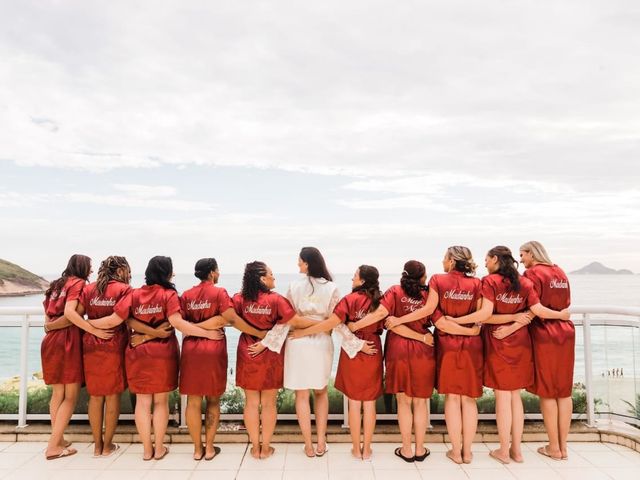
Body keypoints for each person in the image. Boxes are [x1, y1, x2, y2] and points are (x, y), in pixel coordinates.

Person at [442, 246, 570, 465]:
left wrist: (455, 320)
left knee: (503, 396)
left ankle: (503, 450)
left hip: (498, 341)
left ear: (495, 260)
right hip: (521, 342)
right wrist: (560, 315)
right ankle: (517, 451)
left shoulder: (490, 281)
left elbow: (486, 315)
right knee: (514, 396)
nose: (484, 263)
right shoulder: (525, 282)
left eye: (486, 259)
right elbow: (537, 311)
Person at [97, 256, 223, 461]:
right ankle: (159, 448)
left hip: (138, 352)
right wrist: (206, 334)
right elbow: (177, 323)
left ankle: (147, 450)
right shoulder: (169, 294)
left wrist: (88, 326)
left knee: (143, 403)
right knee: (160, 402)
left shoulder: (134, 294)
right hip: (163, 354)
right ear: (167, 273)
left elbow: (116, 319)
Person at [384, 248, 483, 464]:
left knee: (441, 398)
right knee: (467, 399)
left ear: (451, 260)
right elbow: (478, 316)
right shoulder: (477, 284)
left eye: (444, 257)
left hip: (444, 344)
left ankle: (441, 451)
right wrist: (470, 331)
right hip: (469, 345)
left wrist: (398, 320)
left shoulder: (437, 281)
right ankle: (464, 452)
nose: (442, 261)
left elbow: (433, 315)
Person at [290, 265, 382, 460]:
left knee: (355, 403)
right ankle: (367, 450)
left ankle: (356, 449)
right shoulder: (379, 302)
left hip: (353, 349)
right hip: (373, 347)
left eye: (355, 276)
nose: (352, 279)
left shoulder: (349, 300)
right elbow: (386, 321)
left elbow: (334, 323)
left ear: (363, 281)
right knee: (370, 403)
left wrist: (303, 332)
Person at [179, 258, 266, 461]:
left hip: (191, 349)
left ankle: (197, 449)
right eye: (217, 270)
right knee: (213, 400)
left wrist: (198, 327)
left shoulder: (186, 295)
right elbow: (231, 319)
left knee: (192, 401)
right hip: (214, 348)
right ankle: (209, 448)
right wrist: (259, 333)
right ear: (211, 273)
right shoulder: (219, 293)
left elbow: (180, 323)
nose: (219, 273)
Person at [233, 261, 318, 459]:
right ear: (263, 279)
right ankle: (266, 447)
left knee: (251, 403)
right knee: (269, 403)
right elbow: (295, 322)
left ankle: (255, 448)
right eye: (271, 274)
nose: (274, 277)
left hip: (248, 351)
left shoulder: (239, 299)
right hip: (270, 353)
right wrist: (325, 323)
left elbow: (230, 318)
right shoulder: (277, 300)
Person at [41, 254, 103, 460]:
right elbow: (70, 313)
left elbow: (48, 316)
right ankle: (53, 447)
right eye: (90, 266)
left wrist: (50, 326)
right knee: (70, 395)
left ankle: (57, 439)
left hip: (50, 340)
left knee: (57, 393)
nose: (91, 271)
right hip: (68, 341)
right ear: (83, 267)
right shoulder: (78, 284)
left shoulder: (56, 285)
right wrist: (91, 328)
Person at [284, 247, 340, 457]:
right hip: (321, 342)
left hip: (297, 341)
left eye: (299, 261)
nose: (297, 264)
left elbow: (287, 317)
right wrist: (320, 327)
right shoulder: (332, 288)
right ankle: (321, 442)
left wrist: (301, 331)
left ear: (307, 263)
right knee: (321, 391)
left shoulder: (293, 287)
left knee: (301, 394)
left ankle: (308, 445)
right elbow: (333, 322)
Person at [73, 256, 131, 457]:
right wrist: (98, 326)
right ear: (121, 269)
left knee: (95, 396)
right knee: (113, 395)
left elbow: (76, 316)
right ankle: (107, 446)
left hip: (91, 346)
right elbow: (116, 320)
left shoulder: (89, 289)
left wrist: (91, 326)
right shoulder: (124, 290)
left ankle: (97, 446)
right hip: (114, 344)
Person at [520, 241, 573, 461]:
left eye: (522, 254)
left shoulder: (532, 274)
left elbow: (534, 308)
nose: (521, 259)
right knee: (564, 390)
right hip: (566, 333)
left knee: (548, 391)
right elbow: (566, 304)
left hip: (545, 333)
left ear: (532, 253)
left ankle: (553, 447)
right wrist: (562, 315)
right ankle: (563, 447)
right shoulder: (559, 272)